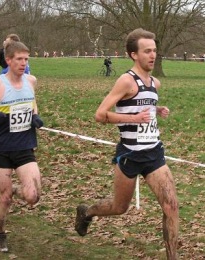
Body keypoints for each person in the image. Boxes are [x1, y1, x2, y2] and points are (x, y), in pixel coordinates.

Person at [75, 28, 179, 260]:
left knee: (171, 207)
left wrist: (156, 110)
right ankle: (87, 211)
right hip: (130, 155)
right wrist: (134, 119)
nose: (152, 55)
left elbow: (143, 106)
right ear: (134, 54)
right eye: (147, 51)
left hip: (153, 153)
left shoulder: (154, 83)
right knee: (119, 208)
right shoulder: (125, 80)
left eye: (154, 50)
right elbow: (100, 115)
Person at [0, 41, 43, 252]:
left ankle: (14, 189)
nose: (24, 63)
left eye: (26, 59)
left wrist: (35, 116)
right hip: (2, 148)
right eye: (19, 59)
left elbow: (32, 103)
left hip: (24, 147)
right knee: (4, 199)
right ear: (9, 60)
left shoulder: (31, 81)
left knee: (33, 196)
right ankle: (0, 233)